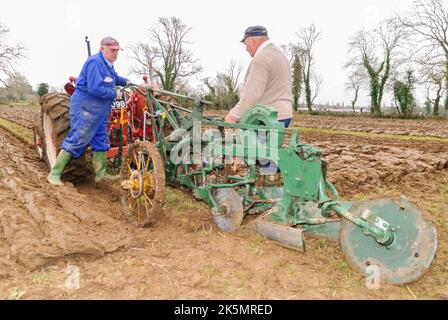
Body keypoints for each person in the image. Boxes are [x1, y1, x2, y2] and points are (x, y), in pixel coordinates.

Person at [47, 36, 130, 186]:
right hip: (86, 107)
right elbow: (94, 88)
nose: (115, 54)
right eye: (112, 50)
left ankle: (101, 175)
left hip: (99, 111)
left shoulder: (108, 64)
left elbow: (113, 78)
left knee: (101, 140)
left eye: (117, 51)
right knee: (78, 137)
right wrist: (114, 94)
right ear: (102, 49)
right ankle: (54, 174)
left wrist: (126, 81)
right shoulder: (94, 62)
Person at [224, 25, 293, 127]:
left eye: (246, 45)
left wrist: (233, 116)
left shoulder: (261, 58)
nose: (246, 49)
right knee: (271, 143)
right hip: (284, 114)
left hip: (266, 118)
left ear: (252, 40)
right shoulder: (280, 55)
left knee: (256, 143)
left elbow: (252, 94)